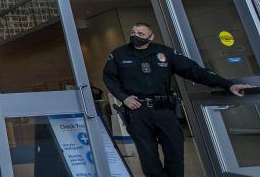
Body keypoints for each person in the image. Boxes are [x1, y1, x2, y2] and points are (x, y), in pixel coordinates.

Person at [103, 22, 256, 177]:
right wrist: (124, 97)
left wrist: (228, 85)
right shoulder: (119, 54)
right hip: (137, 112)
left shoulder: (165, 53)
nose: (135, 36)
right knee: (149, 160)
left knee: (175, 153)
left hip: (165, 111)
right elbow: (109, 78)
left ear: (151, 37)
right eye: (133, 32)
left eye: (140, 34)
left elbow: (195, 71)